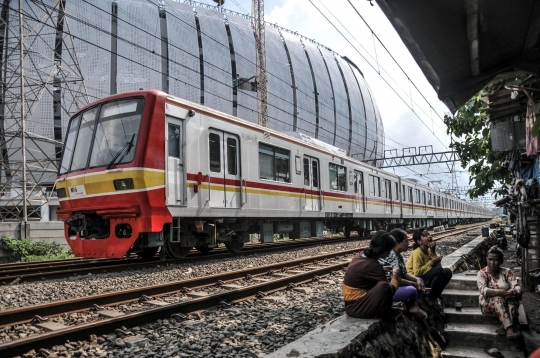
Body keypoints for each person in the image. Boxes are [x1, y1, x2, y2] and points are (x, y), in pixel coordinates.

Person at [342, 230, 401, 319]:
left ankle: (385, 310)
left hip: (351, 304)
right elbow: (389, 292)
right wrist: (395, 278)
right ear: (385, 252)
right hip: (355, 308)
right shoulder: (374, 266)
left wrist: (381, 269)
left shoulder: (360, 256)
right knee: (384, 286)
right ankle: (385, 313)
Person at [379, 228, 428, 320]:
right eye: (406, 241)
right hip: (389, 288)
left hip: (395, 284)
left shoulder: (399, 255)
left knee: (420, 280)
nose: (408, 244)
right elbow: (396, 280)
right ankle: (415, 304)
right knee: (412, 290)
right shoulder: (391, 255)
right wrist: (414, 283)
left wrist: (416, 280)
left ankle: (415, 307)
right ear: (398, 243)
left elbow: (404, 273)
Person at [477, 246, 522, 339]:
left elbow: (516, 286)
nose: (492, 263)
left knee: (513, 299)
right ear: (486, 259)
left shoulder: (507, 272)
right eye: (490, 259)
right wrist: (500, 292)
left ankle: (504, 324)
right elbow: (483, 290)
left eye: (496, 260)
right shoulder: (482, 273)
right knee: (498, 298)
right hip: (489, 306)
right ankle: (509, 328)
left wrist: (514, 291)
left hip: (507, 303)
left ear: (501, 261)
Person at [406, 228, 452, 309]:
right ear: (419, 241)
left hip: (424, 277)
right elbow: (417, 272)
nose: (429, 236)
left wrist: (433, 251)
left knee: (448, 271)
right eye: (426, 235)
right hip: (416, 279)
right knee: (439, 271)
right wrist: (431, 262)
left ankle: (435, 296)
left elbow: (439, 269)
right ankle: (430, 297)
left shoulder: (429, 251)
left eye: (429, 234)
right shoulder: (417, 253)